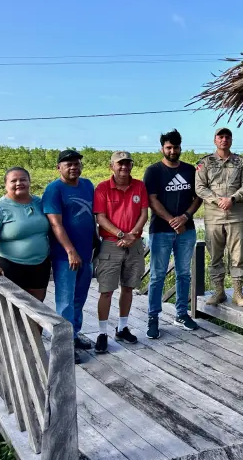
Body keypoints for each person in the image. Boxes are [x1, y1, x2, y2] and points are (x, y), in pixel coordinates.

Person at [143, 129, 203, 340]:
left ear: (180, 148)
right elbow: (152, 200)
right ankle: (153, 317)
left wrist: (185, 217)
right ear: (162, 148)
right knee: (157, 275)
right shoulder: (153, 171)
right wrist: (171, 220)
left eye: (175, 147)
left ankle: (181, 313)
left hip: (186, 230)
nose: (172, 151)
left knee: (184, 273)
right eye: (168, 147)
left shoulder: (189, 170)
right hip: (161, 230)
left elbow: (198, 197)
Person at [93, 151, 149, 354]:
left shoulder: (139, 186)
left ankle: (122, 327)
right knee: (106, 290)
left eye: (127, 164)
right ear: (112, 166)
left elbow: (144, 212)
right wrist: (120, 234)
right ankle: (101, 332)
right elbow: (101, 217)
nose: (124, 167)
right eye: (120, 164)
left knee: (128, 287)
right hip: (111, 243)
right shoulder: (102, 188)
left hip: (134, 243)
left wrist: (132, 235)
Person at [43, 150, 95, 363]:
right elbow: (55, 223)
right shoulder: (54, 189)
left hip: (86, 253)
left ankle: (74, 334)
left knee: (80, 297)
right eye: (68, 165)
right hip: (66, 256)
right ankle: (64, 344)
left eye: (76, 164)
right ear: (59, 168)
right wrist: (70, 250)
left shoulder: (87, 185)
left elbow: (92, 215)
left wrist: (95, 241)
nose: (73, 167)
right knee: (65, 301)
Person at [196, 128, 243, 307]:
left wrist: (233, 198)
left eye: (227, 137)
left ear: (231, 140)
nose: (224, 140)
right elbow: (199, 187)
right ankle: (219, 291)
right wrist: (217, 200)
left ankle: (237, 292)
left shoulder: (240, 162)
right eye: (221, 137)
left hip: (235, 216)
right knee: (215, 255)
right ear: (215, 140)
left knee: (238, 255)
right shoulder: (205, 163)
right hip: (214, 217)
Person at [0, 167, 51, 302]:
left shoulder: (40, 203)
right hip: (9, 265)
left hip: (40, 264)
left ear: (29, 182)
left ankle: (33, 325)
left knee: (38, 307)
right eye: (14, 181)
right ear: (6, 185)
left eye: (23, 179)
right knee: (12, 308)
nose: (19, 183)